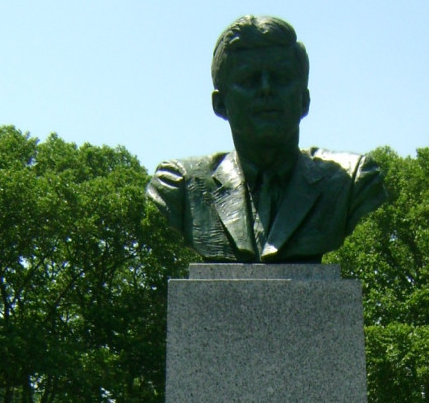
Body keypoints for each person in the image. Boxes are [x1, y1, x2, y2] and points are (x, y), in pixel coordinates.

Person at [146, 15, 387, 263]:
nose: (266, 89)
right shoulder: (179, 187)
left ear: (304, 101)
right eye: (248, 80)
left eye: (281, 78)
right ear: (220, 104)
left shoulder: (353, 183)